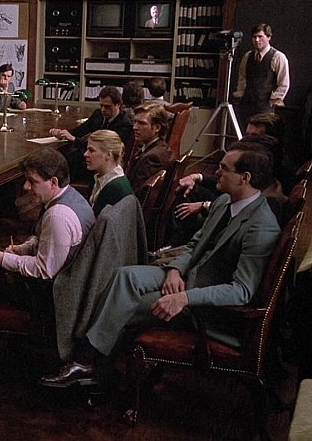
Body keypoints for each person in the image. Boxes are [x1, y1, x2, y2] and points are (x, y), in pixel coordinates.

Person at [41, 141, 281, 389]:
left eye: (224, 168)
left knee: (123, 304)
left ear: (245, 178)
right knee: (124, 276)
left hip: (206, 309)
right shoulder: (224, 202)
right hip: (188, 277)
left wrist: (184, 298)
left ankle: (88, 364)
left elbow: (241, 291)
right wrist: (176, 269)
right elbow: (195, 243)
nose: (216, 172)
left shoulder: (261, 226)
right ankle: (93, 364)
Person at [0, 149, 95, 363]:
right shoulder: (72, 197)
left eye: (32, 182)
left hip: (54, 297)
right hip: (66, 281)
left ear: (53, 182)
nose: (26, 187)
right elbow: (46, 241)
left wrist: (2, 259)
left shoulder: (58, 216)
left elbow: (44, 271)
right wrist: (23, 249)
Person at [49, 86, 134, 184]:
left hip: (103, 161)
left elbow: (103, 145)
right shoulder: (99, 114)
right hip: (90, 153)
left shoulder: (124, 124)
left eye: (107, 107)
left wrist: (74, 139)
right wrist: (63, 133)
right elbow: (82, 129)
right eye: (101, 105)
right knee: (61, 155)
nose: (103, 109)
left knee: (68, 161)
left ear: (118, 105)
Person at [233, 23, 290, 126]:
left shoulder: (278, 57)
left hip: (265, 107)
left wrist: (273, 100)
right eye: (254, 37)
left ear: (268, 37)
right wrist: (241, 94)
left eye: (260, 37)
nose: (257, 40)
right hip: (246, 105)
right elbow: (242, 78)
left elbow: (284, 83)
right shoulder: (248, 56)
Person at [126, 103, 173, 192]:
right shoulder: (161, 147)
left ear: (157, 128)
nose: (135, 127)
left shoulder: (152, 158)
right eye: (135, 122)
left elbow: (137, 193)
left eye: (142, 123)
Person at [85, 130, 133, 217]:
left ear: (108, 155)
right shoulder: (99, 178)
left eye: (91, 150)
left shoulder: (116, 189)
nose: (86, 154)